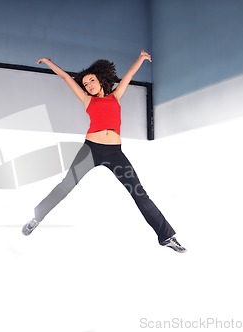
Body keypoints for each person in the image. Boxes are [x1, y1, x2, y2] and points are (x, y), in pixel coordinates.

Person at [22, 50, 186, 253]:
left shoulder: (115, 96)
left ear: (100, 79)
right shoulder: (87, 100)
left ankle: (167, 236)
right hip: (91, 150)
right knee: (66, 185)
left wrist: (141, 58)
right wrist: (48, 62)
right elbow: (65, 77)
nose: (88, 85)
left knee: (139, 193)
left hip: (115, 153)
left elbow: (128, 76)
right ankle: (37, 217)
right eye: (85, 84)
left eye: (91, 80)